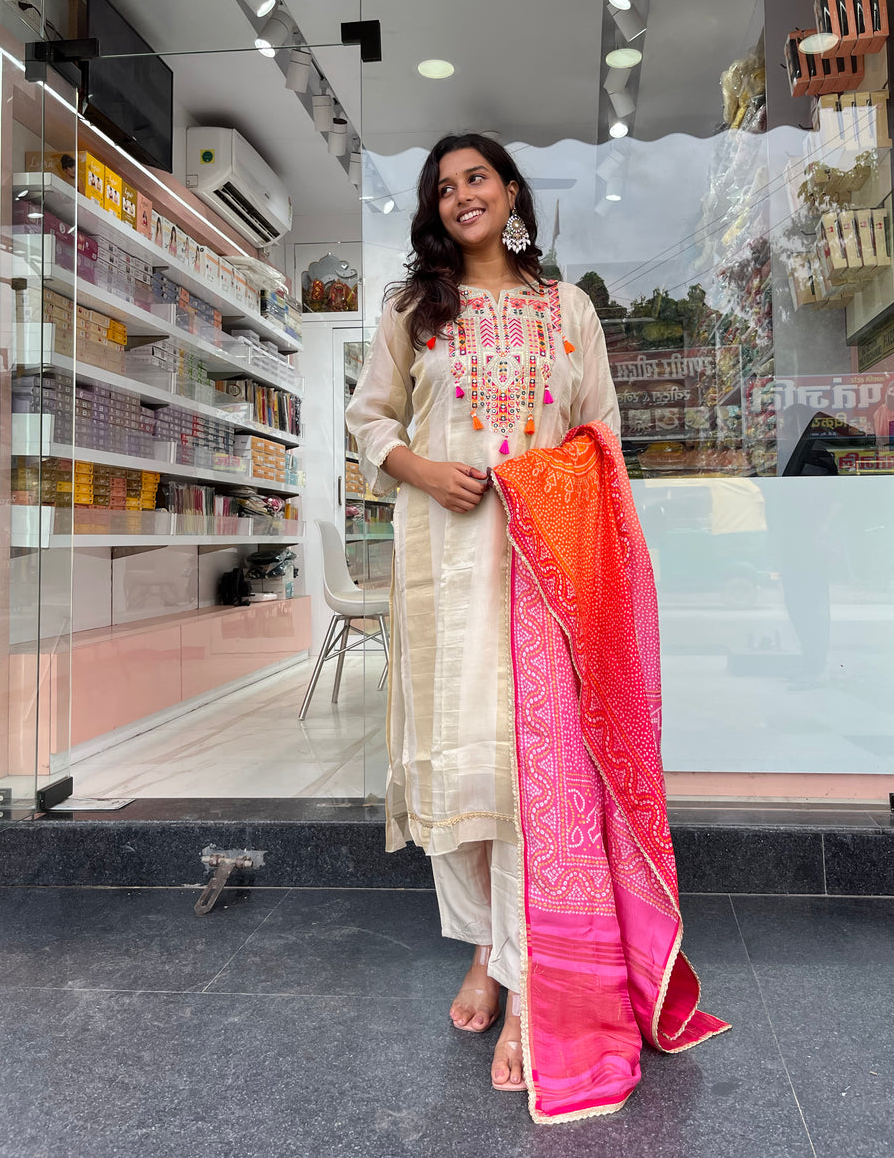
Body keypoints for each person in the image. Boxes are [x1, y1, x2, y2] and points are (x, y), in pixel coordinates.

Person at [345, 133, 620, 1093]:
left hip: (541, 574)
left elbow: (600, 434)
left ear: (510, 192)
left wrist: (554, 491)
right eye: (445, 187)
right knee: (463, 763)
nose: (463, 194)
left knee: (528, 769)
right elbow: (368, 419)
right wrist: (423, 469)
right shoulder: (413, 311)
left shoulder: (567, 309)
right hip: (444, 571)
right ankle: (483, 949)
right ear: (435, 209)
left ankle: (525, 973)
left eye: (478, 178)